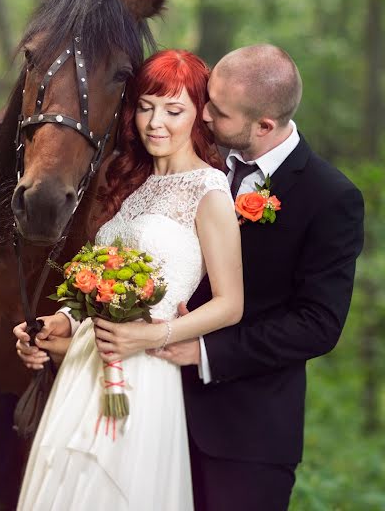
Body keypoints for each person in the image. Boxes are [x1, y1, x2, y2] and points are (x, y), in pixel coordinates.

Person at [13, 49, 244, 510]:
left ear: (199, 116)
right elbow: (99, 288)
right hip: (83, 370)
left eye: (174, 110)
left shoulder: (210, 191)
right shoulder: (132, 184)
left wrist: (152, 336)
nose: (155, 122)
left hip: (145, 376)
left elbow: (230, 303)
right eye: (145, 106)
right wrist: (61, 321)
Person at [148, 44, 364, 511]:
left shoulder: (329, 197)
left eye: (219, 112)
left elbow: (318, 323)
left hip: (247, 437)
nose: (202, 116)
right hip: (155, 413)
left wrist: (204, 350)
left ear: (264, 125)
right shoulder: (191, 164)